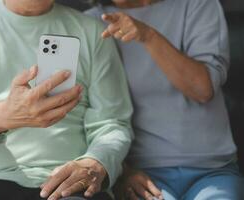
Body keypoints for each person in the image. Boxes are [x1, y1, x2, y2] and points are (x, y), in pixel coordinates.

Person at [0, 0, 134, 200]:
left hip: (70, 184)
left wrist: (95, 163)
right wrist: (6, 114)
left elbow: (113, 122)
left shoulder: (93, 31)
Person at [86, 0, 244, 199]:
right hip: (143, 175)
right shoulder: (90, 23)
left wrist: (148, 35)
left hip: (212, 170)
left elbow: (202, 89)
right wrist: (122, 172)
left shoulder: (198, 5)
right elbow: (86, 116)